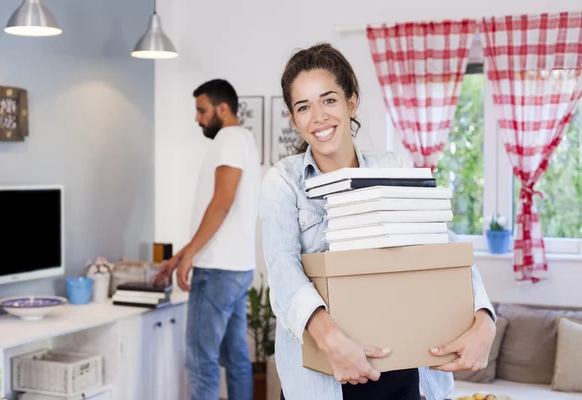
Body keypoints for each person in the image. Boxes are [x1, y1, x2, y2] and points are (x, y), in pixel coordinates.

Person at [258, 43, 497, 400]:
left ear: (351, 102)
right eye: (303, 107)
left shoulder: (394, 169)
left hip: (402, 375)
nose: (318, 117)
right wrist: (333, 342)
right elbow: (282, 269)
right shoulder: (284, 181)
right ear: (294, 119)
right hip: (325, 378)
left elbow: (442, 245)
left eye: (329, 100)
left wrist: (485, 320)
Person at [154, 79, 261, 400]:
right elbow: (220, 211)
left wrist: (191, 256)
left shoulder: (229, 139)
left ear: (222, 108)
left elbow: (222, 203)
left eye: (202, 110)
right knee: (236, 357)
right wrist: (182, 255)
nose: (197, 118)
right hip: (237, 268)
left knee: (201, 361)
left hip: (216, 271)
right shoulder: (244, 140)